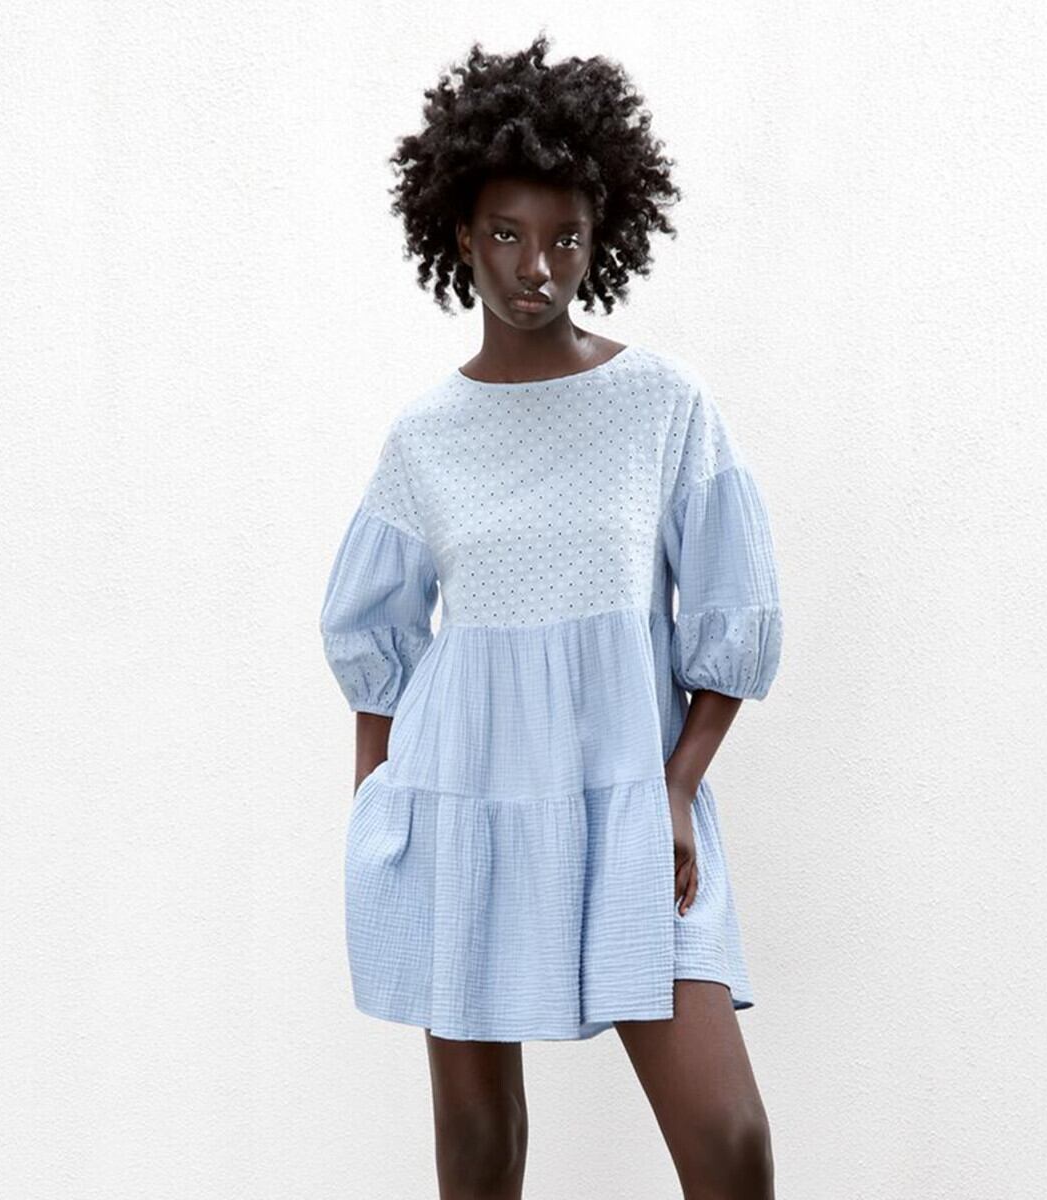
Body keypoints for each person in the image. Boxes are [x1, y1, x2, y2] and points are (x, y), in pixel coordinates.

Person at [319, 33, 784, 1200]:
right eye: (508, 235)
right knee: (479, 1147)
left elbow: (732, 610)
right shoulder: (425, 437)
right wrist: (377, 813)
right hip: (463, 808)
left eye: (565, 238)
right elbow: (374, 643)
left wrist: (677, 788)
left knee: (728, 1139)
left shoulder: (662, 405)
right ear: (459, 236)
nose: (537, 267)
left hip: (629, 806)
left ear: (601, 235)